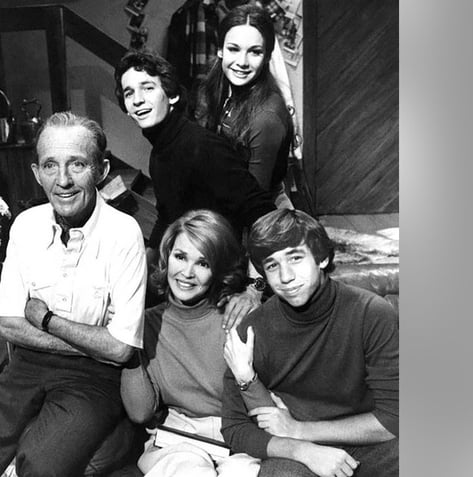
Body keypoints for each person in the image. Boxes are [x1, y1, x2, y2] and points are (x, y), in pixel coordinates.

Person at [0, 112, 148, 477]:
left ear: (101, 170)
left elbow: (121, 350)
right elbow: (9, 324)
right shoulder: (26, 226)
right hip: (26, 367)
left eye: (77, 164)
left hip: (92, 380)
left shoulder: (124, 234)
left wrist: (46, 320)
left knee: (41, 466)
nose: (63, 181)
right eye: (50, 166)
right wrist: (94, 341)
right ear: (36, 173)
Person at [221, 209, 399, 477]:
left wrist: (300, 429)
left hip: (368, 440)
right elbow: (234, 428)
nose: (286, 277)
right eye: (272, 265)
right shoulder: (253, 329)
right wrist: (300, 448)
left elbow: (394, 418)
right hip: (300, 454)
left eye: (295, 258)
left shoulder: (371, 312)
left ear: (322, 258)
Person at [113, 48, 276, 327]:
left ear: (172, 95)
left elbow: (265, 218)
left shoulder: (202, 147)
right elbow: (167, 218)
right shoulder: (161, 152)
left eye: (148, 88)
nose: (138, 100)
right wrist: (137, 275)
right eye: (129, 93)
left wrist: (254, 289)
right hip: (193, 273)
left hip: (224, 280)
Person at [121, 209, 266, 477]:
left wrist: (254, 290)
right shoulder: (147, 323)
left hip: (240, 440)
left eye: (203, 263)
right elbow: (140, 413)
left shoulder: (237, 314)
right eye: (180, 257)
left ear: (218, 270)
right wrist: (128, 346)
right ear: (167, 258)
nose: (187, 273)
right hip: (177, 441)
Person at [195, 4, 295, 209]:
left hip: (255, 214)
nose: (242, 62)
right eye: (233, 49)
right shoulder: (214, 88)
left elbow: (253, 200)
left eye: (255, 52)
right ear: (220, 50)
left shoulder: (266, 117)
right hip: (224, 199)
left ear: (267, 57)